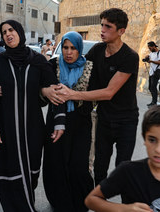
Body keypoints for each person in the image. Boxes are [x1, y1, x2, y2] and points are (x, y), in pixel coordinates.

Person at [48, 8, 139, 186]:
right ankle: (100, 203)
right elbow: (76, 65)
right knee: (99, 167)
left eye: (108, 26)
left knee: (123, 167)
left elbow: (108, 92)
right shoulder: (97, 50)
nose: (102, 30)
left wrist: (72, 94)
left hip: (125, 120)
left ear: (121, 31)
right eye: (102, 25)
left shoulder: (130, 57)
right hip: (104, 118)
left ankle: (127, 204)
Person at [0, 20, 65, 211]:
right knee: (9, 173)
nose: (8, 34)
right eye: (4, 32)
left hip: (33, 129)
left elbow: (55, 89)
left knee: (31, 173)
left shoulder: (37, 61)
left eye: (11, 30)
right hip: (6, 128)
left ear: (20, 32)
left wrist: (59, 122)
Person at [85, 103, 160, 212]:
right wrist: (125, 209)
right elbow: (91, 200)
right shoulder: (128, 172)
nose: (159, 149)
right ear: (144, 139)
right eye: (152, 140)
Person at [42, 31, 94, 212]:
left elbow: (96, 95)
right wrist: (44, 91)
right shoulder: (51, 65)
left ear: (79, 49)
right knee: (55, 164)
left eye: (73, 48)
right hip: (55, 121)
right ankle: (60, 203)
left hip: (81, 123)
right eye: (65, 47)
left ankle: (80, 204)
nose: (69, 52)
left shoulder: (90, 68)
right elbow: (39, 88)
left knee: (78, 167)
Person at [145, 41, 160, 107]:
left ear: (153, 46)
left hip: (156, 72)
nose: (149, 49)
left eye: (150, 48)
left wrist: (151, 61)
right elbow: (149, 59)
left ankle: (154, 102)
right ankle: (153, 101)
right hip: (151, 72)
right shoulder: (151, 53)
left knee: (153, 87)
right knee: (150, 88)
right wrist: (147, 57)